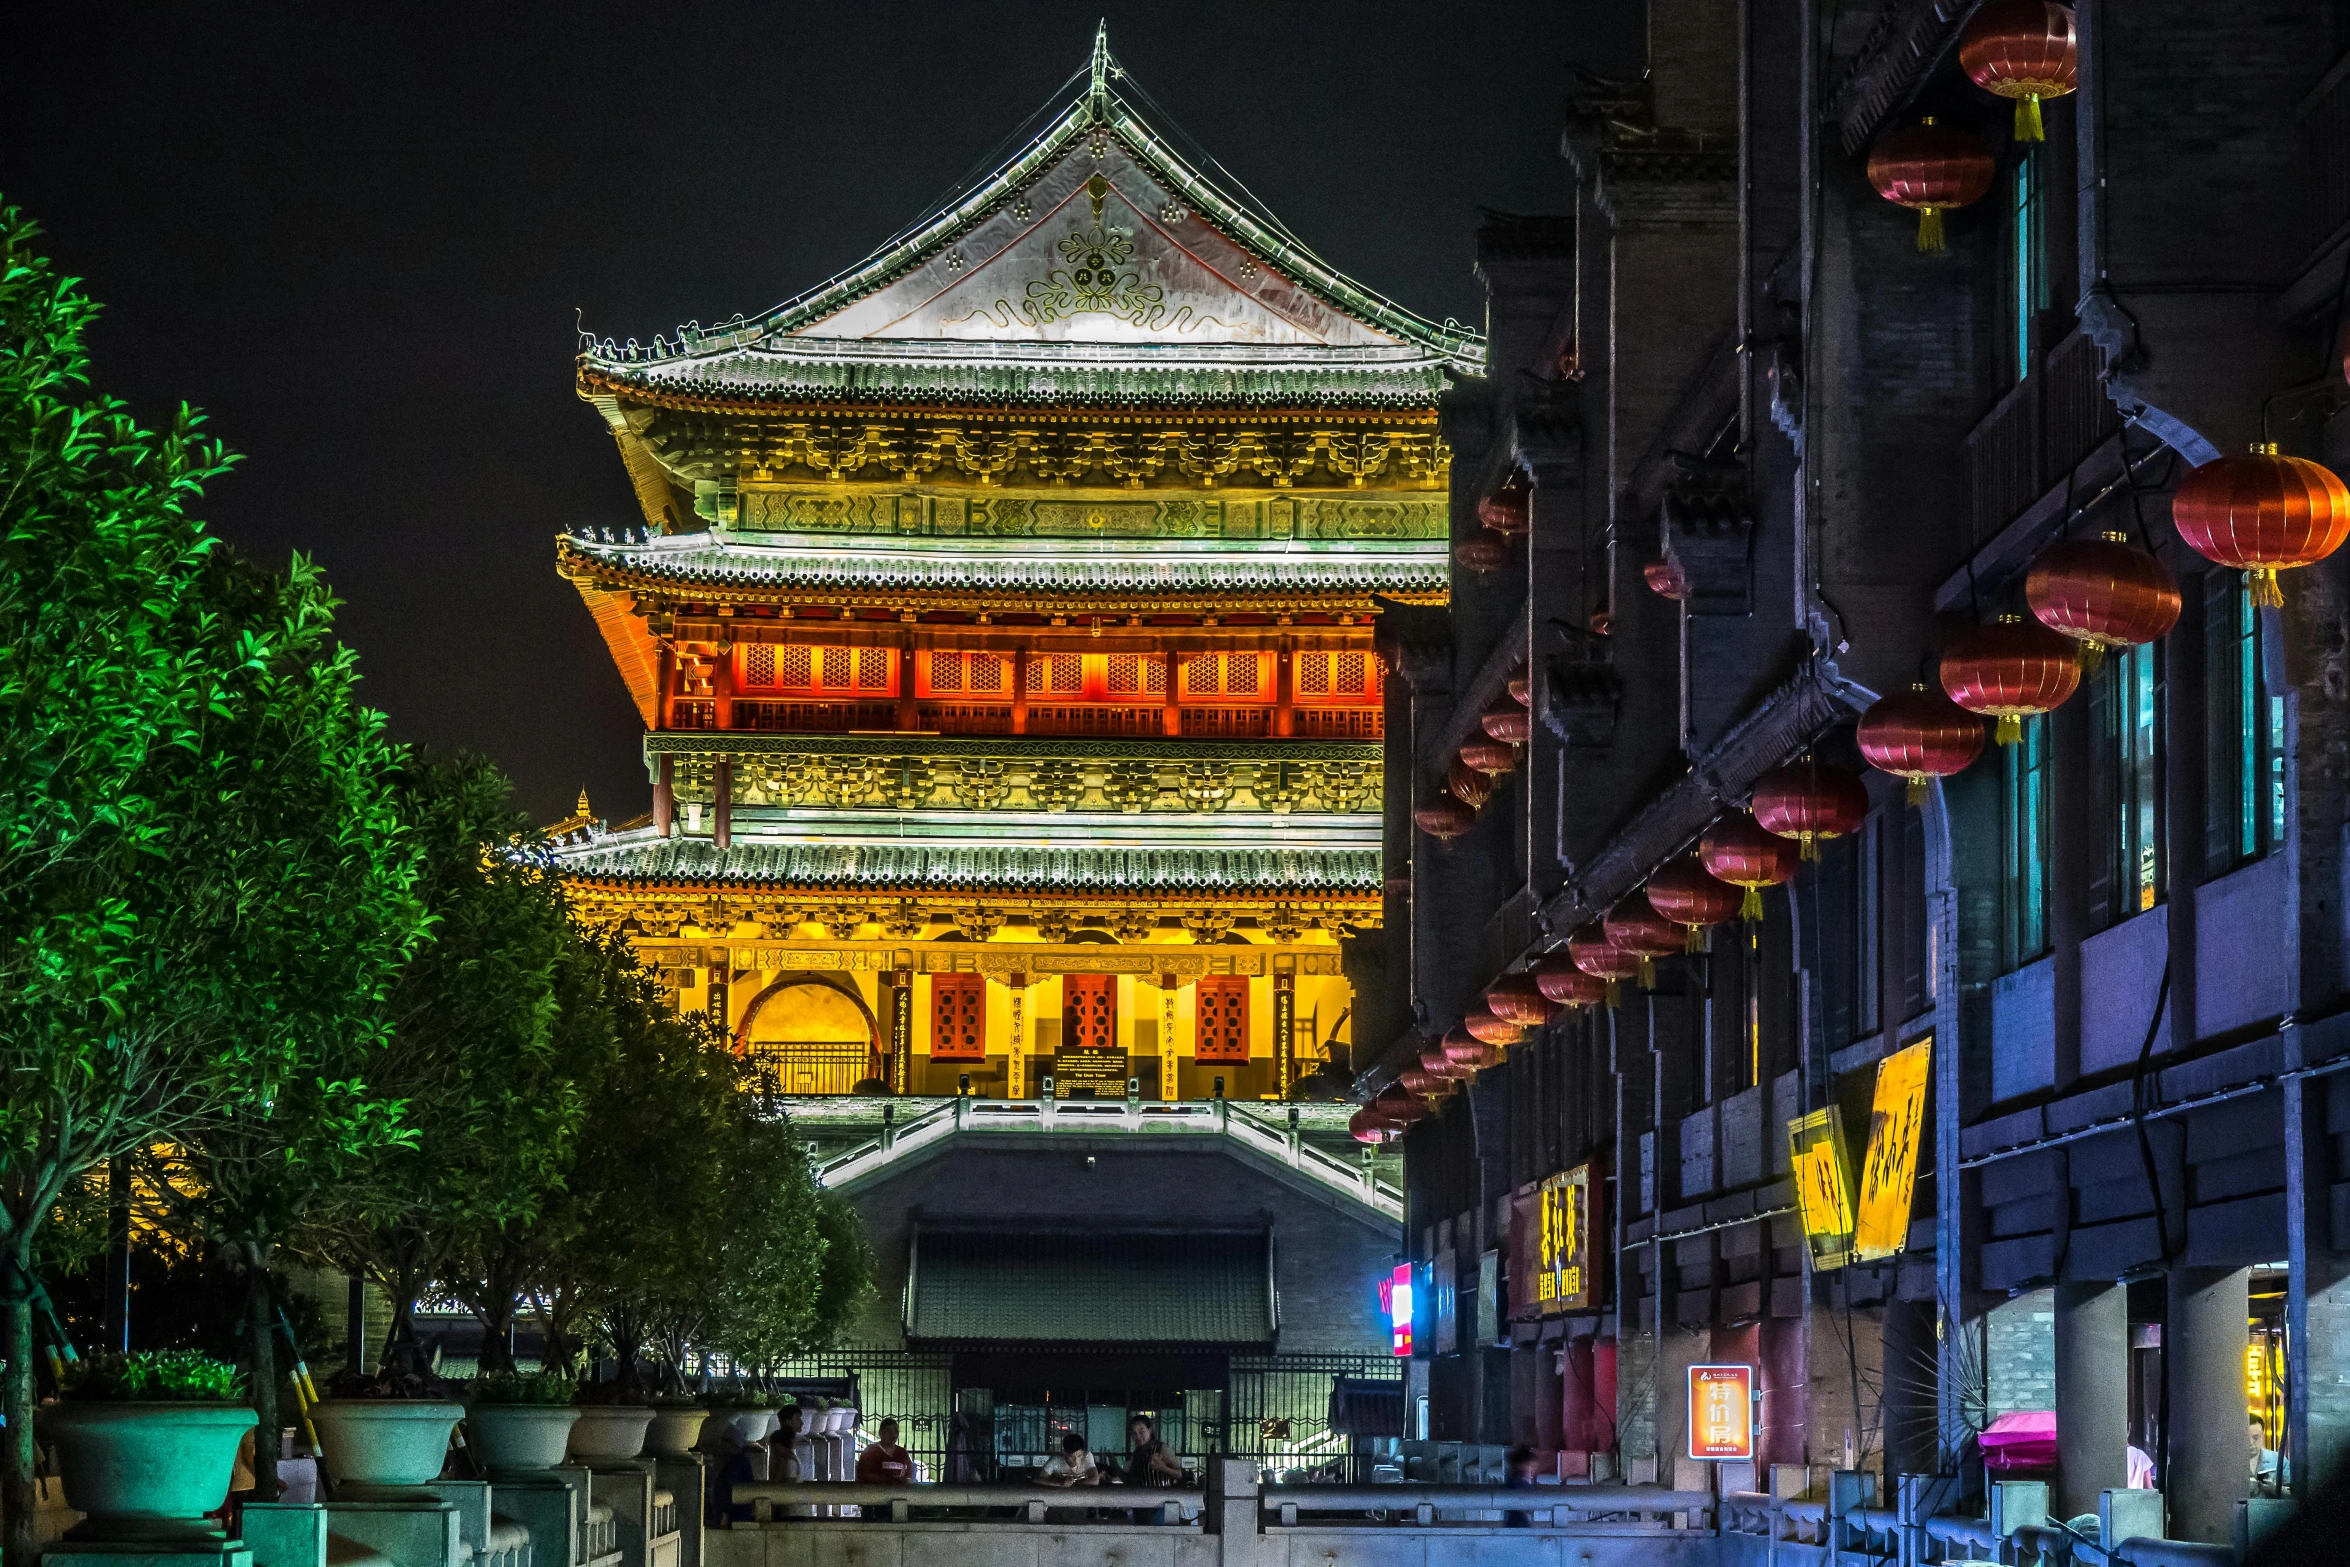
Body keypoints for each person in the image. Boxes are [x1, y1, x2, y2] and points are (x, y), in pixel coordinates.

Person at [1122, 1416, 1186, 1487]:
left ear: (1149, 1430)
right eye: (1134, 1433)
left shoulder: (1161, 1448)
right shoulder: (1137, 1453)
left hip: (1161, 1496)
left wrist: (1163, 1468)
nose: (1138, 1436)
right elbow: (1130, 1480)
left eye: (1141, 1431)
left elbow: (1179, 1474)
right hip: (1140, 1496)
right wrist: (1114, 1465)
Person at [857, 1418, 915, 1485]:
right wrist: (887, 1480)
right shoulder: (871, 1451)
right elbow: (863, 1475)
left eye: (896, 1431)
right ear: (880, 1433)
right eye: (889, 1431)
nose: (893, 1435)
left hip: (899, 1493)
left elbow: (909, 1474)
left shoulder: (902, 1452)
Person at [1502, 1444, 1540, 1528]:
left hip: (1516, 1521)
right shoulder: (1517, 1481)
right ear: (1522, 1465)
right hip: (1518, 1522)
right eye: (1532, 1466)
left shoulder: (1519, 1480)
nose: (1535, 1469)